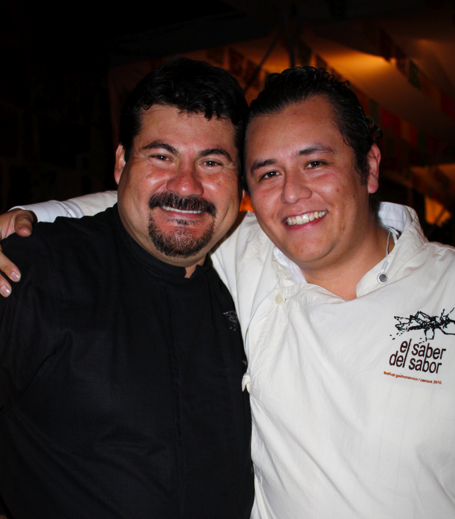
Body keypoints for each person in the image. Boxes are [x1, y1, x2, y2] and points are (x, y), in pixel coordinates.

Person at [2, 66, 455, 518]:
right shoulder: (36, 273)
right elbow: (153, 207)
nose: (292, 193)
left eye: (315, 163)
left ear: (369, 167)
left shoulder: (443, 285)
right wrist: (28, 220)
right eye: (269, 173)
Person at [0, 58, 254, 519]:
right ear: (121, 163)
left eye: (212, 162)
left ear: (240, 182)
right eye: (161, 156)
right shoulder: (35, 271)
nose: (186, 185)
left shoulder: (251, 282)